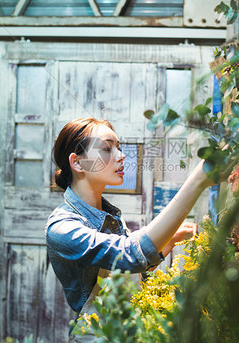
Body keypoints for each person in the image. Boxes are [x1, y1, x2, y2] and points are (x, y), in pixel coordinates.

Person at [45, 118, 214, 342]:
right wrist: (198, 180)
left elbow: (127, 272)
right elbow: (130, 255)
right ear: (77, 163)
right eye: (107, 148)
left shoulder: (109, 215)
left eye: (119, 148)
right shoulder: (62, 228)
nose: (121, 155)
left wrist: (170, 241)